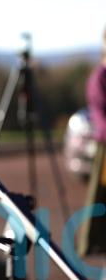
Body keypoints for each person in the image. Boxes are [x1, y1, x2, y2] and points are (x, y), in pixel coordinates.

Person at [78, 28, 106, 257]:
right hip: (105, 147)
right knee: (100, 196)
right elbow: (100, 115)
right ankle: (92, 243)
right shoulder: (99, 78)